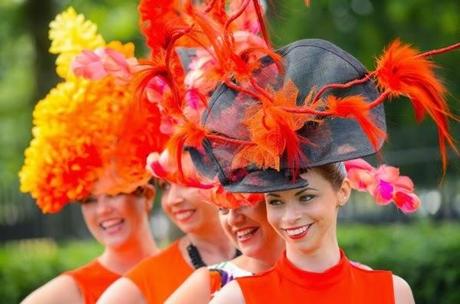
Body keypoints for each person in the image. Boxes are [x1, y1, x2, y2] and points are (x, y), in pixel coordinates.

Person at [148, 2, 459, 303]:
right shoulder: (236, 298)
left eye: (306, 196)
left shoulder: (392, 293)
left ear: (343, 190)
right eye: (275, 201)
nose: (290, 217)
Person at [19, 8, 165, 304]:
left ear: (147, 195)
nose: (102, 211)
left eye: (112, 194)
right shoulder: (70, 290)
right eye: (89, 199)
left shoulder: (186, 269)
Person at [97, 156, 239, 304]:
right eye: (165, 186)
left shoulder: (260, 253)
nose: (172, 199)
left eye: (185, 181)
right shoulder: (143, 281)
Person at [165, 200, 284, 304]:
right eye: (223, 208)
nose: (232, 220)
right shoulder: (211, 282)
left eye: (243, 202)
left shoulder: (301, 271)